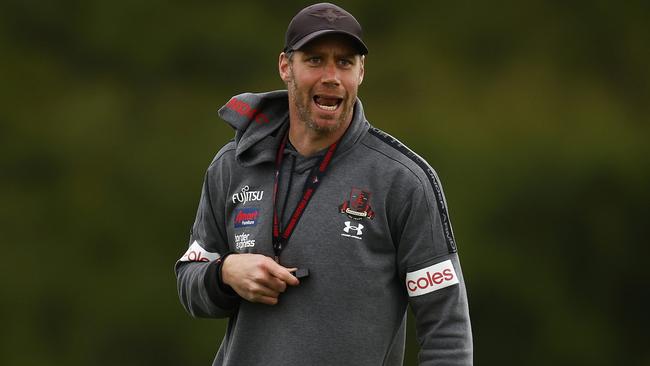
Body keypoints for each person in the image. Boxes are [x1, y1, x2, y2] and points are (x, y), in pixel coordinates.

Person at [175, 3, 472, 365]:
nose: (331, 75)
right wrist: (223, 274)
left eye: (345, 62)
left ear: (361, 72)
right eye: (315, 60)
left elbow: (447, 330)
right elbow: (189, 282)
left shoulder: (403, 180)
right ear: (286, 66)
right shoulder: (233, 165)